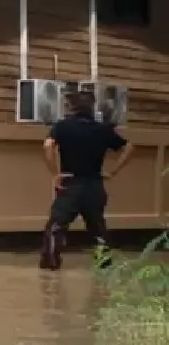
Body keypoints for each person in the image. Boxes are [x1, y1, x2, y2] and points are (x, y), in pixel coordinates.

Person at [41, 89, 132, 270]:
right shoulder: (103, 129)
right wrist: (113, 172)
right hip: (94, 184)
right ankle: (104, 265)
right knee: (97, 226)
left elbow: (48, 145)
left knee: (57, 225)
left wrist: (55, 173)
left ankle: (51, 263)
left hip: (70, 183)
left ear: (72, 107)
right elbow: (129, 147)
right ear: (92, 107)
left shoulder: (62, 126)